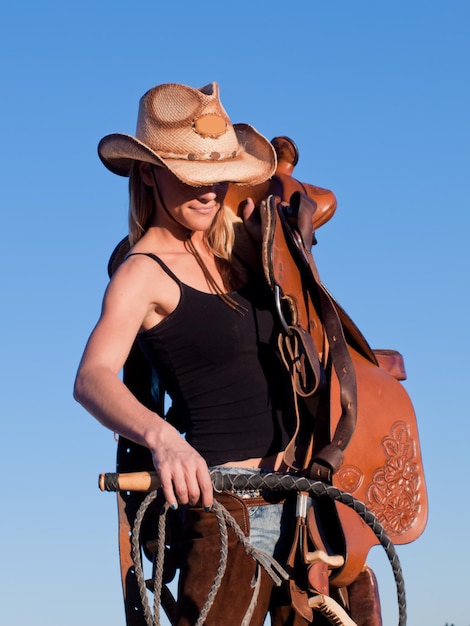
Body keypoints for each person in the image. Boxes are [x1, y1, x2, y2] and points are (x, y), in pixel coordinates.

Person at [74, 81, 297, 626]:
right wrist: (162, 438)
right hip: (226, 510)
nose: (207, 191)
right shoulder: (141, 272)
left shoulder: (235, 257)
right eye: (190, 177)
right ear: (148, 172)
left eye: (217, 176)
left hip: (298, 501)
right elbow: (92, 377)